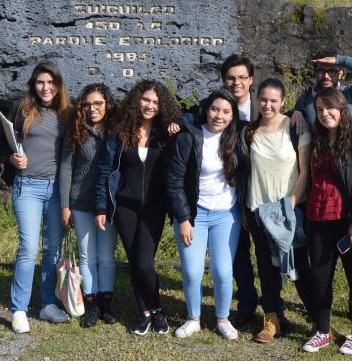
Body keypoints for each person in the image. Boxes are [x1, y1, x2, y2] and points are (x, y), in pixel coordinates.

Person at [179, 54, 266, 329]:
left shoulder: (261, 109)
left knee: (261, 257)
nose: (236, 82)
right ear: (223, 80)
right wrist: (178, 123)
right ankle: (243, 308)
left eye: (242, 77)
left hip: (254, 196)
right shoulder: (213, 107)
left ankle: (271, 311)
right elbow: (191, 117)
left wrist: (297, 115)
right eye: (231, 78)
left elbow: (281, 120)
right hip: (222, 203)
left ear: (251, 80)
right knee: (235, 259)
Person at [94, 80, 180, 335]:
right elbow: (105, 170)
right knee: (134, 260)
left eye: (155, 102)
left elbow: (194, 121)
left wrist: (181, 124)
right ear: (136, 100)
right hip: (124, 207)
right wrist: (101, 206)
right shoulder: (120, 131)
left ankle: (157, 308)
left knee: (145, 263)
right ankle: (145, 312)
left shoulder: (165, 133)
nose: (150, 105)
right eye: (146, 100)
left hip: (154, 206)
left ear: (162, 105)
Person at [301, 88, 352, 355]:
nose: (324, 114)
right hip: (318, 217)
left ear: (342, 108)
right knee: (320, 278)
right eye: (319, 109)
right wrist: (295, 115)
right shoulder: (318, 137)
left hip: (347, 220)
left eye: (329, 108)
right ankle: (322, 331)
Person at [165, 89, 246, 340]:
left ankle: (223, 318)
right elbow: (174, 180)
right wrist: (183, 218)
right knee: (192, 271)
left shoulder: (240, 138)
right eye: (214, 109)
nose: (218, 116)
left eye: (225, 111)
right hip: (195, 214)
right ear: (206, 110)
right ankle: (193, 318)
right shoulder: (189, 137)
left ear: (233, 116)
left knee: (223, 271)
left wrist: (296, 114)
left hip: (226, 214)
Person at [242, 77, 314, 343]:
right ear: (256, 100)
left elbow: (305, 171)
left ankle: (319, 320)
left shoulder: (296, 128)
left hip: (288, 210)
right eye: (263, 99)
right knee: (266, 267)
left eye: (274, 100)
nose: (268, 105)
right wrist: (243, 209)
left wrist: (291, 205)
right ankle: (272, 320)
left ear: (283, 101)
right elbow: (246, 174)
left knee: (299, 267)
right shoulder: (248, 132)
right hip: (258, 210)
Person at [6, 60, 72, 334]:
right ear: (34, 84)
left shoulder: (68, 113)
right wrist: (11, 158)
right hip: (28, 187)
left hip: (56, 188)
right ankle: (18, 309)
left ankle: (47, 304)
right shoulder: (22, 109)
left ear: (58, 85)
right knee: (28, 248)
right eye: (40, 82)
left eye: (50, 82)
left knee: (52, 249)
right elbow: (4, 142)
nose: (45, 88)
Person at [59, 83, 119, 328]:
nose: (93, 109)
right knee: (86, 255)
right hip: (81, 202)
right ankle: (91, 304)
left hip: (108, 203)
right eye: (87, 104)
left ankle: (106, 304)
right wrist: (64, 205)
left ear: (107, 105)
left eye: (98, 104)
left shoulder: (117, 130)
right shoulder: (76, 130)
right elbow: (65, 168)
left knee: (106, 256)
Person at [292, 51, 352, 130]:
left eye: (331, 71)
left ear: (340, 74)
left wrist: (340, 60)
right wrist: (296, 111)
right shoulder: (304, 101)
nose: (326, 76)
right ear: (314, 73)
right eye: (321, 71)